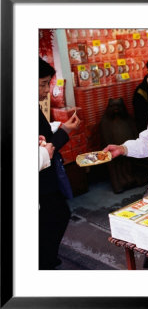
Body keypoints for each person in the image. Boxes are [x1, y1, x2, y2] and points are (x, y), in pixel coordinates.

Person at [39, 57, 81, 269]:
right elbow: (46, 147)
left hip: (45, 178)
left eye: (48, 83)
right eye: (43, 84)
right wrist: (65, 131)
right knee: (56, 216)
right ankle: (44, 262)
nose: (47, 90)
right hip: (42, 183)